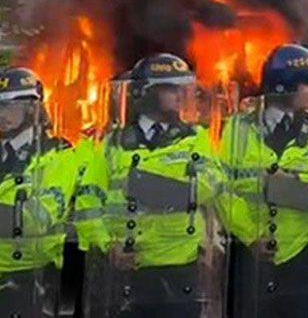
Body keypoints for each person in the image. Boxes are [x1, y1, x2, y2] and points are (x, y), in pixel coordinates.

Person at [75, 53, 223, 317]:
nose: (179, 95)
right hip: (128, 265)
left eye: (181, 88)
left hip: (181, 262)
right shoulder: (114, 143)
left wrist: (151, 188)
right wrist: (108, 244)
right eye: (170, 88)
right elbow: (88, 199)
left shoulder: (195, 138)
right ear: (147, 92)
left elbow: (211, 183)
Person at [220, 44, 308, 317]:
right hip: (250, 256)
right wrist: (251, 235)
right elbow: (223, 191)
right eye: (305, 84)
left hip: (302, 254)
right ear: (283, 86)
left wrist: (286, 182)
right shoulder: (239, 130)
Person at [0, 67, 79, 317]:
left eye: (9, 106)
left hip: (33, 279)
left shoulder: (58, 153)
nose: (1, 114)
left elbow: (38, 220)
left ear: (32, 108)